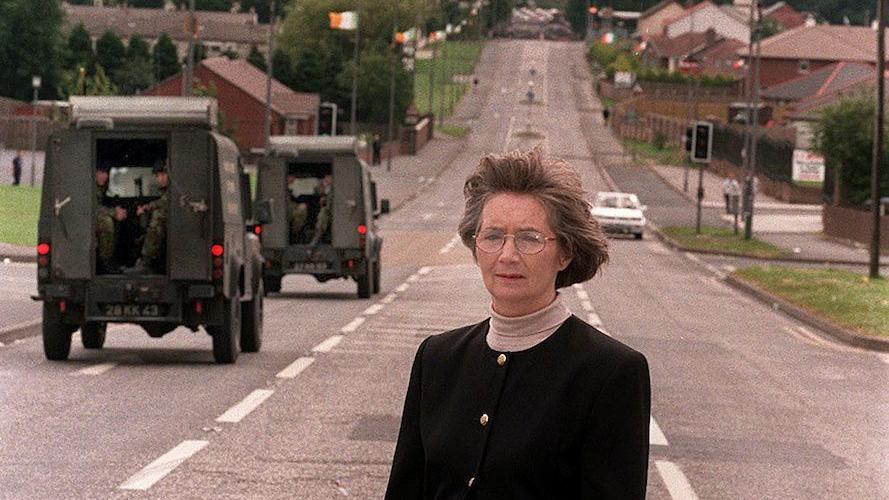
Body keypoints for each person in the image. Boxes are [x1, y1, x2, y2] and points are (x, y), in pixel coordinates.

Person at [386, 148, 651, 499]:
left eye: (530, 238)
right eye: (493, 236)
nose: (507, 255)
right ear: (475, 244)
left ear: (566, 252)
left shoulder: (611, 372)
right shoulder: (436, 358)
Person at [130, 162, 169, 273]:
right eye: (157, 176)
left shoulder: (173, 189)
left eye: (163, 175)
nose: (159, 179)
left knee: (158, 216)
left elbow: (166, 202)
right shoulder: (165, 191)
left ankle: (146, 260)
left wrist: (147, 207)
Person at [95, 164, 127, 273]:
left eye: (106, 173)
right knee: (106, 222)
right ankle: (105, 261)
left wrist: (116, 210)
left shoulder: (100, 188)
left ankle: (110, 259)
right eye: (101, 173)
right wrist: (114, 212)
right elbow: (93, 207)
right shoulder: (91, 187)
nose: (105, 176)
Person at [309, 173, 333, 246]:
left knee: (323, 213)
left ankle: (317, 237)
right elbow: (318, 193)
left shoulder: (334, 189)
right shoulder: (324, 189)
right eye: (326, 178)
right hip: (328, 213)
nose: (327, 179)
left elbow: (330, 204)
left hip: (333, 213)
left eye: (329, 177)